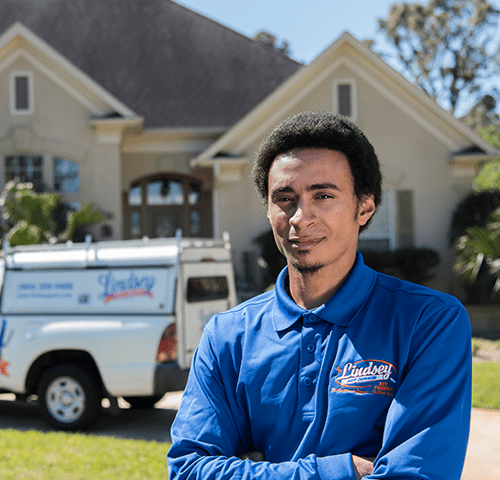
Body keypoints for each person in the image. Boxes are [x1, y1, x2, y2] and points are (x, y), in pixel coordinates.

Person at [167, 111, 472, 479]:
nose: (300, 217)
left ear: (365, 206)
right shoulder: (227, 337)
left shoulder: (428, 322)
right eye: (284, 198)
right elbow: (188, 470)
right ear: (268, 209)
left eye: (323, 195)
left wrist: (255, 468)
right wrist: (338, 471)